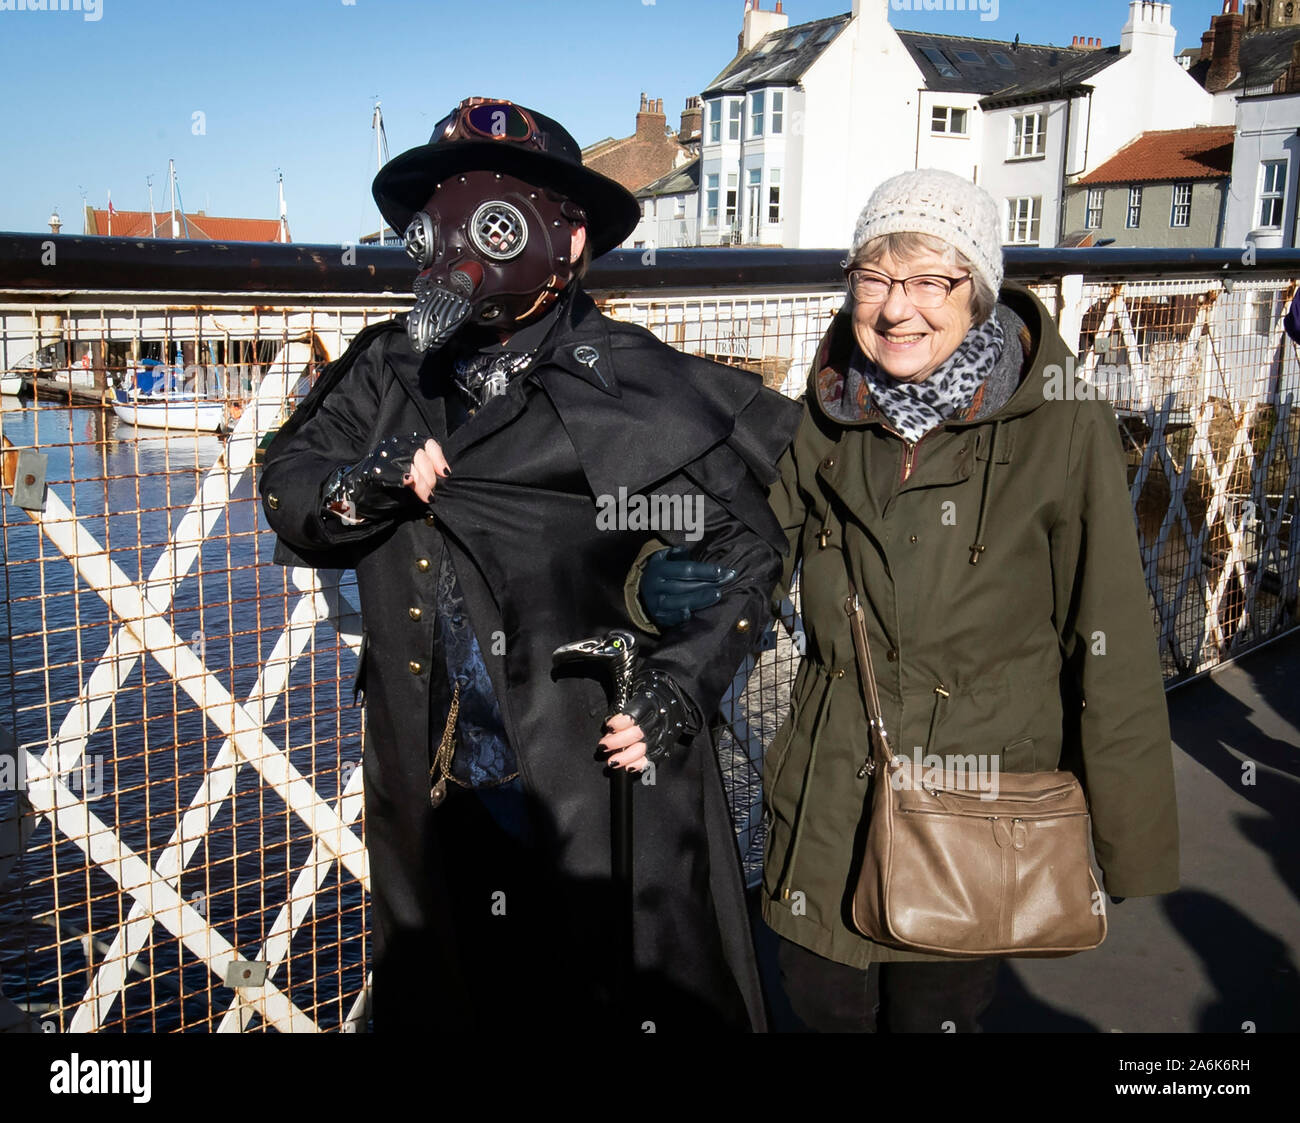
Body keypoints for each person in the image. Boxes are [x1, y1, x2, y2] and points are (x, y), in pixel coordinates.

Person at [259, 97, 800, 1033]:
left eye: (502, 217)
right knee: (452, 989)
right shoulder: (390, 371)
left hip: (590, 771)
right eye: (444, 211)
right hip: (432, 779)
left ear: (573, 236)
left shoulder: (633, 381)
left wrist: (686, 673)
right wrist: (360, 485)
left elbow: (748, 539)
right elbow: (290, 482)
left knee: (606, 994)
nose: (465, 238)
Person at [635, 169, 1180, 1032]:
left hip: (973, 812)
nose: (897, 309)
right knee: (818, 1006)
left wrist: (1127, 838)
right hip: (827, 799)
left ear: (979, 290)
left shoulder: (1063, 424)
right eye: (875, 278)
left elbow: (1106, 631)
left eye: (931, 280)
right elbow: (746, 548)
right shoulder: (818, 415)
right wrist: (653, 581)